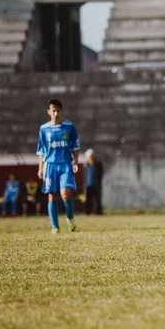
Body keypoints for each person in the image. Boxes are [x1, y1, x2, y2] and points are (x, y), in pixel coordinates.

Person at [37, 98, 81, 234]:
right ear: (48, 112)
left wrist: (75, 162)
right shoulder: (44, 129)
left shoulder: (69, 126)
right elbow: (41, 150)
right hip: (50, 165)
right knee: (52, 196)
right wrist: (41, 167)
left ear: (62, 111)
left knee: (66, 194)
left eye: (58, 110)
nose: (56, 113)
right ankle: (55, 227)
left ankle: (70, 217)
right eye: (53, 111)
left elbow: (75, 146)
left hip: (66, 164)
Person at [84, 149, 104, 215]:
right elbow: (85, 175)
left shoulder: (98, 164)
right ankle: (87, 212)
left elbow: (101, 173)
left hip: (96, 184)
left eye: (92, 155)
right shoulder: (86, 165)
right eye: (90, 156)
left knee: (98, 199)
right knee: (88, 200)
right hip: (88, 184)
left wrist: (99, 181)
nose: (91, 157)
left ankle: (99, 212)